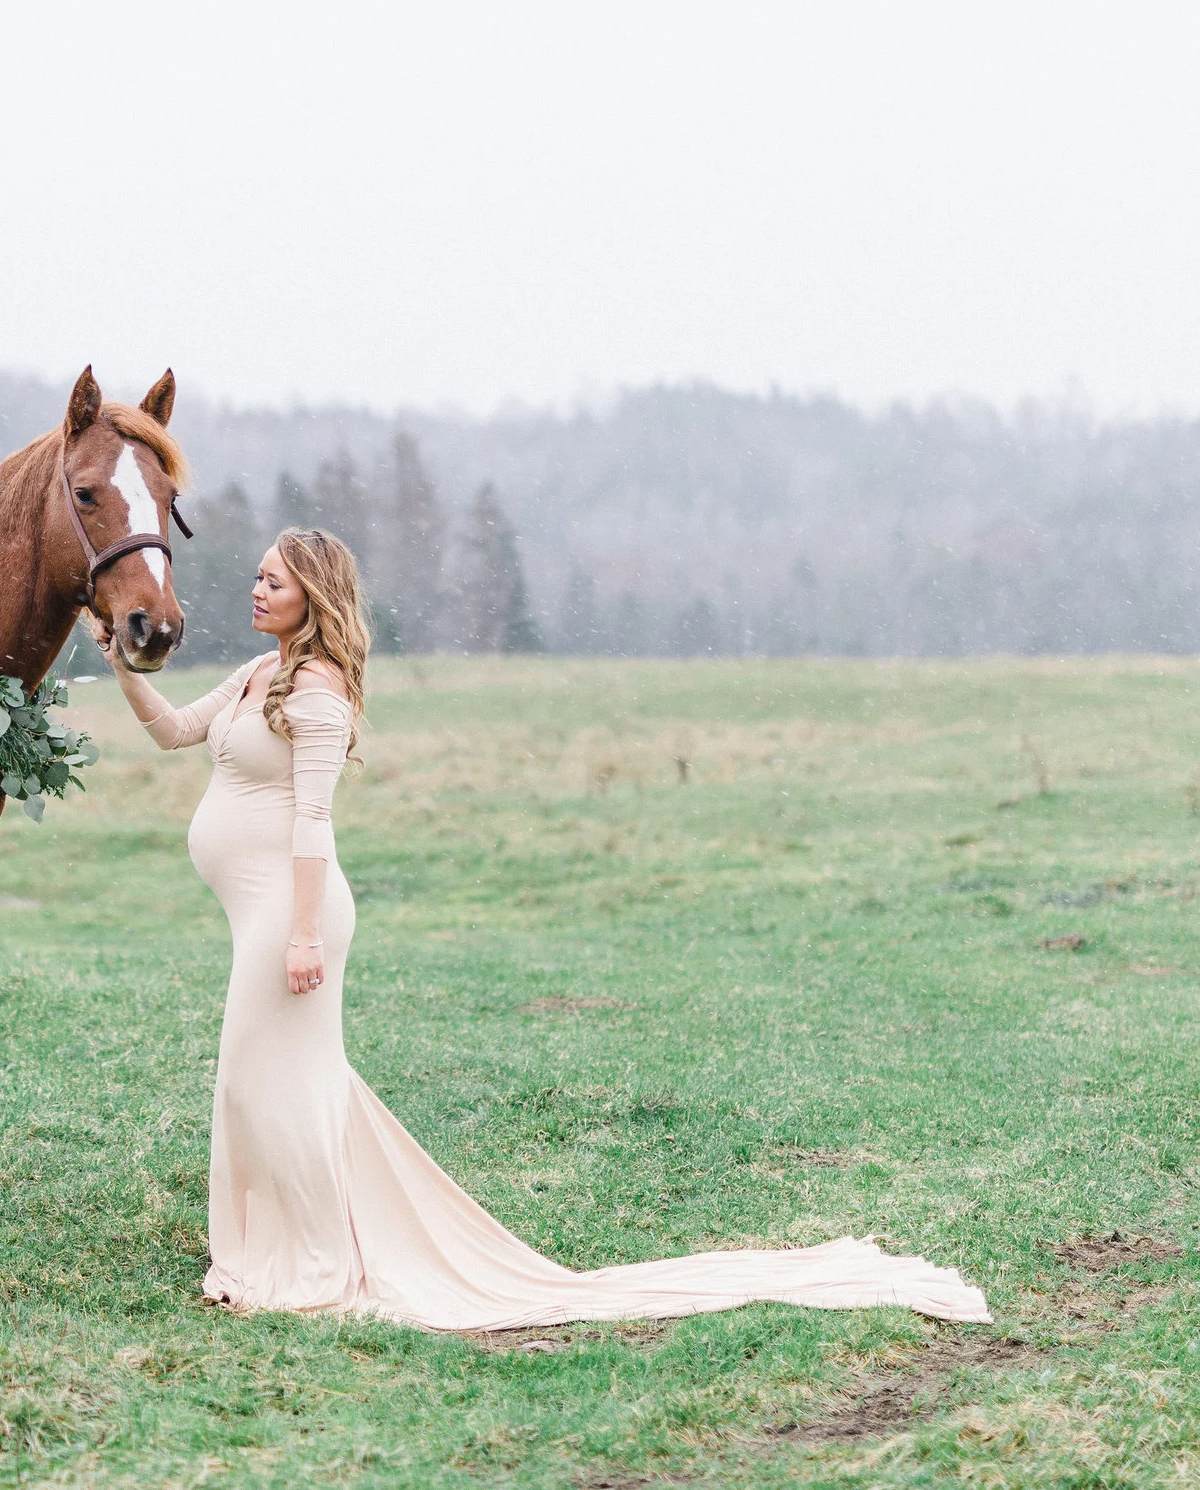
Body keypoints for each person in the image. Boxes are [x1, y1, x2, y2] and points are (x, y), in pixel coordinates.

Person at [92, 526, 989, 1330]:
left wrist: (299, 935)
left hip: (295, 917)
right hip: (262, 911)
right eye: (255, 576)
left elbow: (313, 821)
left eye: (274, 582)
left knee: (264, 1086)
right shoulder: (257, 673)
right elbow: (175, 732)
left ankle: (313, 1263)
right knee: (267, 1086)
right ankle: (272, 1249)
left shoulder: (318, 689)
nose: (255, 590)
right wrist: (124, 667)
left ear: (313, 598)